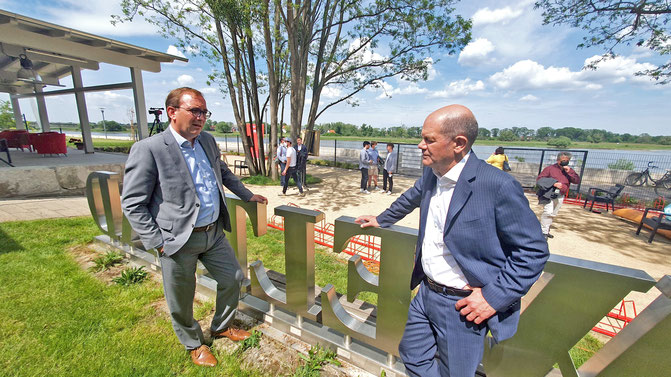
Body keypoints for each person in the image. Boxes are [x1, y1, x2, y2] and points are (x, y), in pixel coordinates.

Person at [355, 104, 549, 377]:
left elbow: (533, 251)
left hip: (463, 307)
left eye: (429, 140)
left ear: (459, 143)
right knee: (412, 356)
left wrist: (492, 298)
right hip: (426, 293)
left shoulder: (497, 185)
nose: (420, 145)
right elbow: (412, 196)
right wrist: (381, 219)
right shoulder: (432, 173)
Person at [121, 87, 269, 367]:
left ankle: (221, 326)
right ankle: (193, 343)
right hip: (176, 239)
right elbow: (132, 203)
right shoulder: (149, 149)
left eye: (204, 112)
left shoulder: (208, 142)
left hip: (212, 233)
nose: (201, 118)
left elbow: (222, 172)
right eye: (195, 111)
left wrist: (247, 194)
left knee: (232, 278)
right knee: (181, 297)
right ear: (172, 112)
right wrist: (157, 241)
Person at [536, 152, 581, 239]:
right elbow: (540, 180)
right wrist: (554, 183)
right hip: (549, 193)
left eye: (567, 161)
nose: (565, 162)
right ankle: (543, 232)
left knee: (553, 213)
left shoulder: (568, 171)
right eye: (563, 160)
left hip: (560, 194)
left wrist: (570, 172)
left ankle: (547, 229)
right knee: (548, 212)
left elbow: (576, 181)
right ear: (558, 160)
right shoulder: (550, 169)